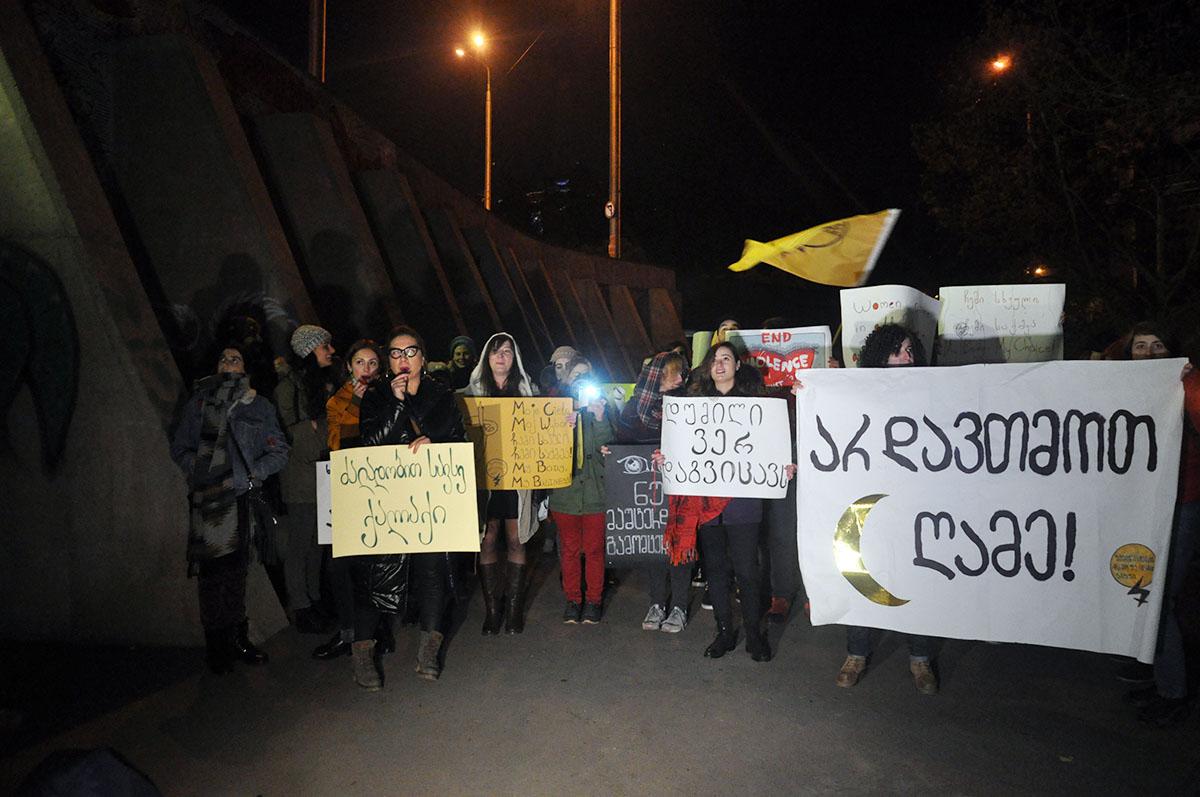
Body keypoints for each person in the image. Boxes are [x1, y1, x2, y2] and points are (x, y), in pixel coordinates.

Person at [348, 326, 468, 687]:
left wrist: (437, 443)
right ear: (389, 361)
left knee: (432, 575)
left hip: (432, 502)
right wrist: (398, 406)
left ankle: (428, 650)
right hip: (387, 503)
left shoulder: (442, 395)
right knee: (376, 578)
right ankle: (363, 656)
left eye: (410, 351)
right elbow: (370, 441)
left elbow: (457, 441)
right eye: (396, 353)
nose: (403, 359)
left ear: (423, 358)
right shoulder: (376, 396)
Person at [654, 342, 788, 661]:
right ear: (708, 367)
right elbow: (681, 446)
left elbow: (773, 445)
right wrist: (665, 457)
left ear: (738, 366)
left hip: (743, 502)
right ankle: (725, 632)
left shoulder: (757, 405)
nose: (720, 364)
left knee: (747, 570)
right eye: (714, 360)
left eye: (726, 358)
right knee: (715, 569)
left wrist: (784, 464)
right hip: (705, 503)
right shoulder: (692, 405)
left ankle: (755, 635)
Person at [170, 343, 289, 673]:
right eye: (223, 357)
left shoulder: (258, 405)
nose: (228, 362)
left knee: (236, 573)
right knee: (211, 576)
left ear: (245, 367)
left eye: (235, 358)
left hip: (239, 497)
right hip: (208, 499)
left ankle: (238, 638)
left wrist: (254, 474)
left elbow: (279, 450)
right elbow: (179, 447)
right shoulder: (199, 402)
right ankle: (217, 645)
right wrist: (199, 468)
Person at [834, 323, 938, 694]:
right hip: (866, 501)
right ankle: (856, 652)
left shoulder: (932, 393)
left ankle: (920, 657)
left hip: (914, 502)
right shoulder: (859, 393)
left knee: (917, 574)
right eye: (898, 350)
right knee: (862, 571)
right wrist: (813, 390)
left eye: (911, 350)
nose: (907, 357)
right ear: (881, 355)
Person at [1121, 323, 1198, 726]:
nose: (1148, 354)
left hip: (1182, 505)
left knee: (1160, 599)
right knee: (1141, 592)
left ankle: (1174, 692)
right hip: (1139, 506)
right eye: (1140, 346)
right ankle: (1162, 677)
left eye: (1158, 345)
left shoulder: (1187, 386)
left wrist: (1189, 384)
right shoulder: (1125, 383)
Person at [311, 340, 383, 662]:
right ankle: (348, 633)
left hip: (380, 491)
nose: (365, 370)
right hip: (345, 490)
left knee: (374, 566)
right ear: (349, 367)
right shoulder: (338, 400)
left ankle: (376, 632)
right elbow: (337, 440)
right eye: (359, 363)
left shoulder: (388, 396)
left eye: (371, 364)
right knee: (340, 566)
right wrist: (355, 400)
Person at [466, 333, 540, 634]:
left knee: (516, 538)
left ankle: (513, 609)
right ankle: (492, 609)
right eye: (495, 351)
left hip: (516, 478)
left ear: (515, 357)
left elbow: (543, 430)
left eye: (507, 351)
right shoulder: (469, 394)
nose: (501, 356)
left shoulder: (528, 393)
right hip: (484, 480)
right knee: (487, 537)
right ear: (487, 357)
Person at [617, 352, 693, 633]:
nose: (679, 378)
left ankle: (680, 605)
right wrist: (609, 450)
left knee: (681, 544)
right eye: (673, 372)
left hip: (682, 487)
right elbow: (622, 443)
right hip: (646, 487)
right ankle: (657, 602)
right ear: (657, 375)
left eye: (681, 372)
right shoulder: (633, 408)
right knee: (653, 543)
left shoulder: (687, 403)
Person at [274, 324, 337, 633]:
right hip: (300, 479)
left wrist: (317, 429)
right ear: (309, 350)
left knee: (318, 544)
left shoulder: (319, 384)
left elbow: (325, 429)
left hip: (322, 476)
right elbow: (292, 436)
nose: (331, 351)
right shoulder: (288, 387)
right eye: (325, 346)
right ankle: (301, 605)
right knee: (301, 544)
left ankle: (314, 598)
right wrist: (315, 432)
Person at [549, 358, 616, 624]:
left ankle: (594, 601)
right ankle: (573, 599)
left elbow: (608, 453)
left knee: (595, 550)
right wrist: (562, 427)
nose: (580, 381)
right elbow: (548, 452)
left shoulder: (603, 411)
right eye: (574, 376)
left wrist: (599, 419)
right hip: (565, 495)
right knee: (569, 550)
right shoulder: (555, 410)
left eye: (585, 376)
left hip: (596, 495)